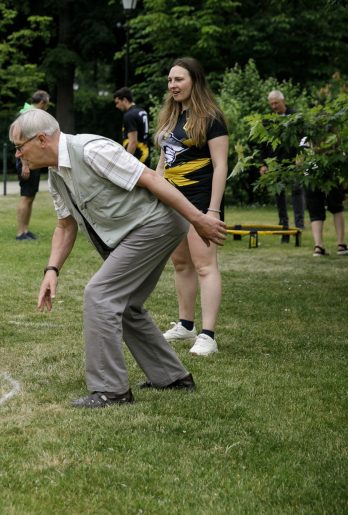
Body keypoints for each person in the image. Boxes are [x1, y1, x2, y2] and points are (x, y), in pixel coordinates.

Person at [11, 108, 226, 408]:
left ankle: (111, 391)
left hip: (155, 224)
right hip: (141, 231)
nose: (18, 155)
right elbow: (65, 225)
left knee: (100, 295)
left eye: (20, 147)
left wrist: (198, 219)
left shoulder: (91, 150)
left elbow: (151, 178)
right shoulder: (56, 176)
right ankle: (172, 377)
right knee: (126, 306)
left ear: (42, 140)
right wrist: (52, 269)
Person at [154, 57, 229, 357]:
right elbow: (164, 160)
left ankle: (208, 335)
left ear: (194, 81)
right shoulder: (171, 118)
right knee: (181, 264)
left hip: (200, 201)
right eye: (170, 80)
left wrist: (212, 211)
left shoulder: (211, 118)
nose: (173, 85)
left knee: (204, 265)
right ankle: (186, 325)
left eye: (179, 79)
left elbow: (221, 165)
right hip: (172, 202)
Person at [259, 90, 305, 241]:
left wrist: (301, 156)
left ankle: (299, 224)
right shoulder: (267, 120)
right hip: (274, 162)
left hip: (294, 161)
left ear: (283, 101)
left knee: (297, 191)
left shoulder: (296, 117)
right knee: (279, 194)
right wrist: (263, 164)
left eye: (276, 103)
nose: (274, 106)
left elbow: (303, 138)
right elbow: (263, 144)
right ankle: (283, 224)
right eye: (271, 104)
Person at [15, 90, 51, 240]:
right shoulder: (27, 116)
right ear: (42, 102)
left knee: (30, 197)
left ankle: (26, 230)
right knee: (25, 196)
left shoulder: (31, 114)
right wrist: (25, 164)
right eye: (47, 104)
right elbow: (18, 141)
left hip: (33, 161)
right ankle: (20, 233)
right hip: (27, 161)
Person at [113, 86, 151, 166]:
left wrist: (125, 162)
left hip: (137, 159)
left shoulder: (129, 115)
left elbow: (133, 142)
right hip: (146, 155)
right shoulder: (142, 111)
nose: (116, 106)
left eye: (117, 102)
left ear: (125, 100)